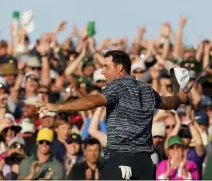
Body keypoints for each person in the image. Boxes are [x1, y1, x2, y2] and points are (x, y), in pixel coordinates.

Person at [37, 50, 190, 179]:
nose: (103, 71)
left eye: (106, 67)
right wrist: (181, 97)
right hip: (145, 165)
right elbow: (169, 103)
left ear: (120, 68)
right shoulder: (147, 89)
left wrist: (59, 106)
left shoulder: (116, 87)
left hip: (121, 160)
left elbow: (92, 101)